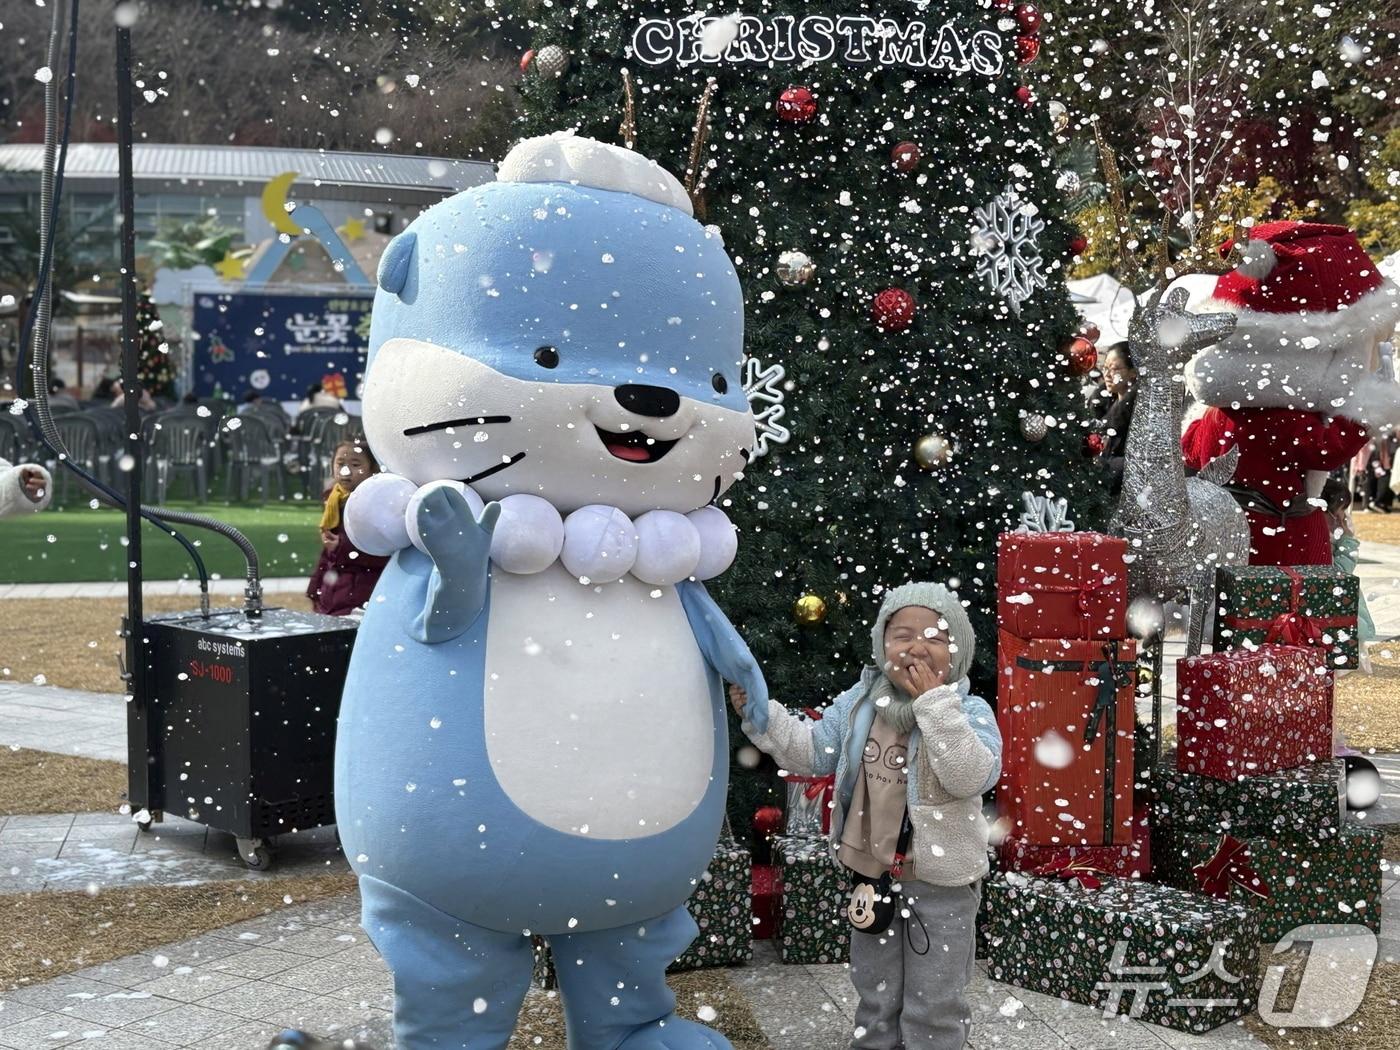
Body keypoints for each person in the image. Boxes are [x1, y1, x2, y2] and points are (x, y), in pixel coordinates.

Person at [731, 583, 1001, 1050]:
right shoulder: (860, 704)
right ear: (882, 646)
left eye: (936, 636)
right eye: (902, 635)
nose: (917, 646)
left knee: (935, 997)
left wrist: (933, 706)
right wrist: (760, 715)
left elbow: (971, 775)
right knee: (875, 990)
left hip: (940, 880)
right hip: (870, 875)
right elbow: (812, 750)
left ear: (957, 652)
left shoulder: (967, 710)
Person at [1182, 222, 1398, 566]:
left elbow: (1191, 450)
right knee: (1287, 618)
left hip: (1219, 533)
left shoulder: (1218, 414)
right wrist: (1365, 409)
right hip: (1277, 537)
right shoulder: (1280, 413)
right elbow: (1323, 449)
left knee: (1222, 617)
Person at [307, 436, 389, 615]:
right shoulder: (334, 500)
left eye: (355, 465)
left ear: (372, 469)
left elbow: (383, 552)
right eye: (340, 463)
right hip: (331, 594)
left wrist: (342, 547)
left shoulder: (377, 504)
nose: (345, 471)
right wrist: (315, 589)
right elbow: (326, 555)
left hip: (360, 596)